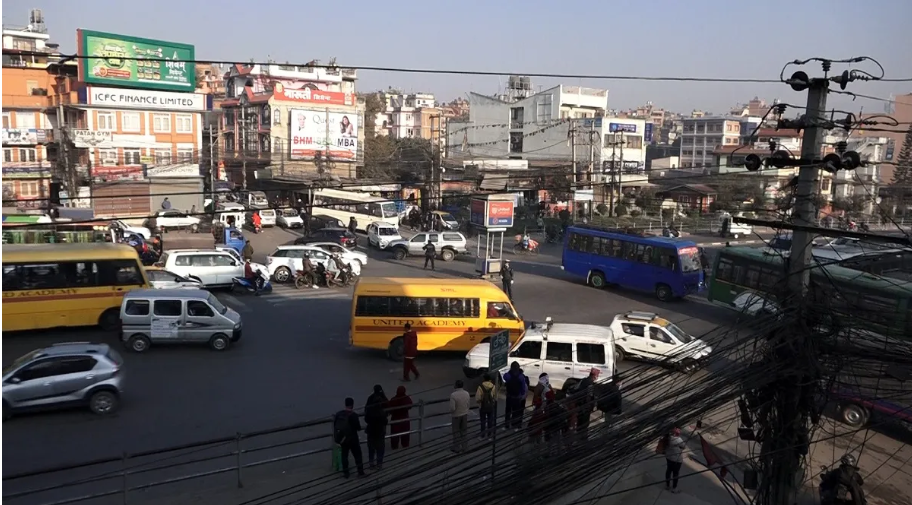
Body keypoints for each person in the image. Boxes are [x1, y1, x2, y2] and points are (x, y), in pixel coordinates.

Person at [333, 397, 365, 478]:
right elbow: (358, 427)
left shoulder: (339, 414)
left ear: (345, 404)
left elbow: (335, 425)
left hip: (343, 439)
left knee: (344, 455)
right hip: (353, 438)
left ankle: (346, 473)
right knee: (357, 455)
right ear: (352, 405)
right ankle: (360, 472)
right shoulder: (354, 415)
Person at [571, 368, 600, 442]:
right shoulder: (590, 384)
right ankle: (583, 440)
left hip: (579, 405)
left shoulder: (583, 380)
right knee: (584, 424)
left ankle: (578, 438)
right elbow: (589, 396)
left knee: (579, 423)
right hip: (585, 407)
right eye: (597, 375)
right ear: (594, 376)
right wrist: (590, 406)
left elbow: (576, 389)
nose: (597, 377)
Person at [363, 385, 389, 469]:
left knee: (371, 447)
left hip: (371, 430)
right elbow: (386, 420)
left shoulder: (370, 401)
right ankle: (379, 464)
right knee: (380, 448)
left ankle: (371, 463)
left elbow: (366, 418)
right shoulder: (382, 410)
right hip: (380, 430)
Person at [502, 361, 528, 431]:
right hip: (517, 397)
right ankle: (515, 426)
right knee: (516, 412)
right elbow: (523, 387)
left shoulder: (508, 375)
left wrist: (510, 371)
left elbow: (504, 377)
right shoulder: (521, 376)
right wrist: (522, 394)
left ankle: (506, 425)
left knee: (508, 412)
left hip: (509, 396)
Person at [450, 380, 470, 453]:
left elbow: (452, 408)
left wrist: (451, 412)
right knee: (464, 431)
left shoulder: (453, 395)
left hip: (456, 415)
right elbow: (468, 404)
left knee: (456, 432)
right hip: (464, 414)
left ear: (456, 386)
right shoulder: (466, 393)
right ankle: (465, 447)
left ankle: (457, 447)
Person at [663, 427, 686, 493]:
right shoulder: (678, 439)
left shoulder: (668, 438)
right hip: (677, 460)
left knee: (668, 471)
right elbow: (684, 446)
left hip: (668, 457)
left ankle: (667, 485)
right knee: (675, 473)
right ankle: (674, 488)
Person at [475, 373, 496, 439]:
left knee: (483, 421)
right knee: (490, 420)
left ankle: (482, 435)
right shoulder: (493, 386)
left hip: (482, 406)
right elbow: (495, 397)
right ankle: (489, 434)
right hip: (491, 406)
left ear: (484, 379)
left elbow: (478, 398)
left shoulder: (480, 387)